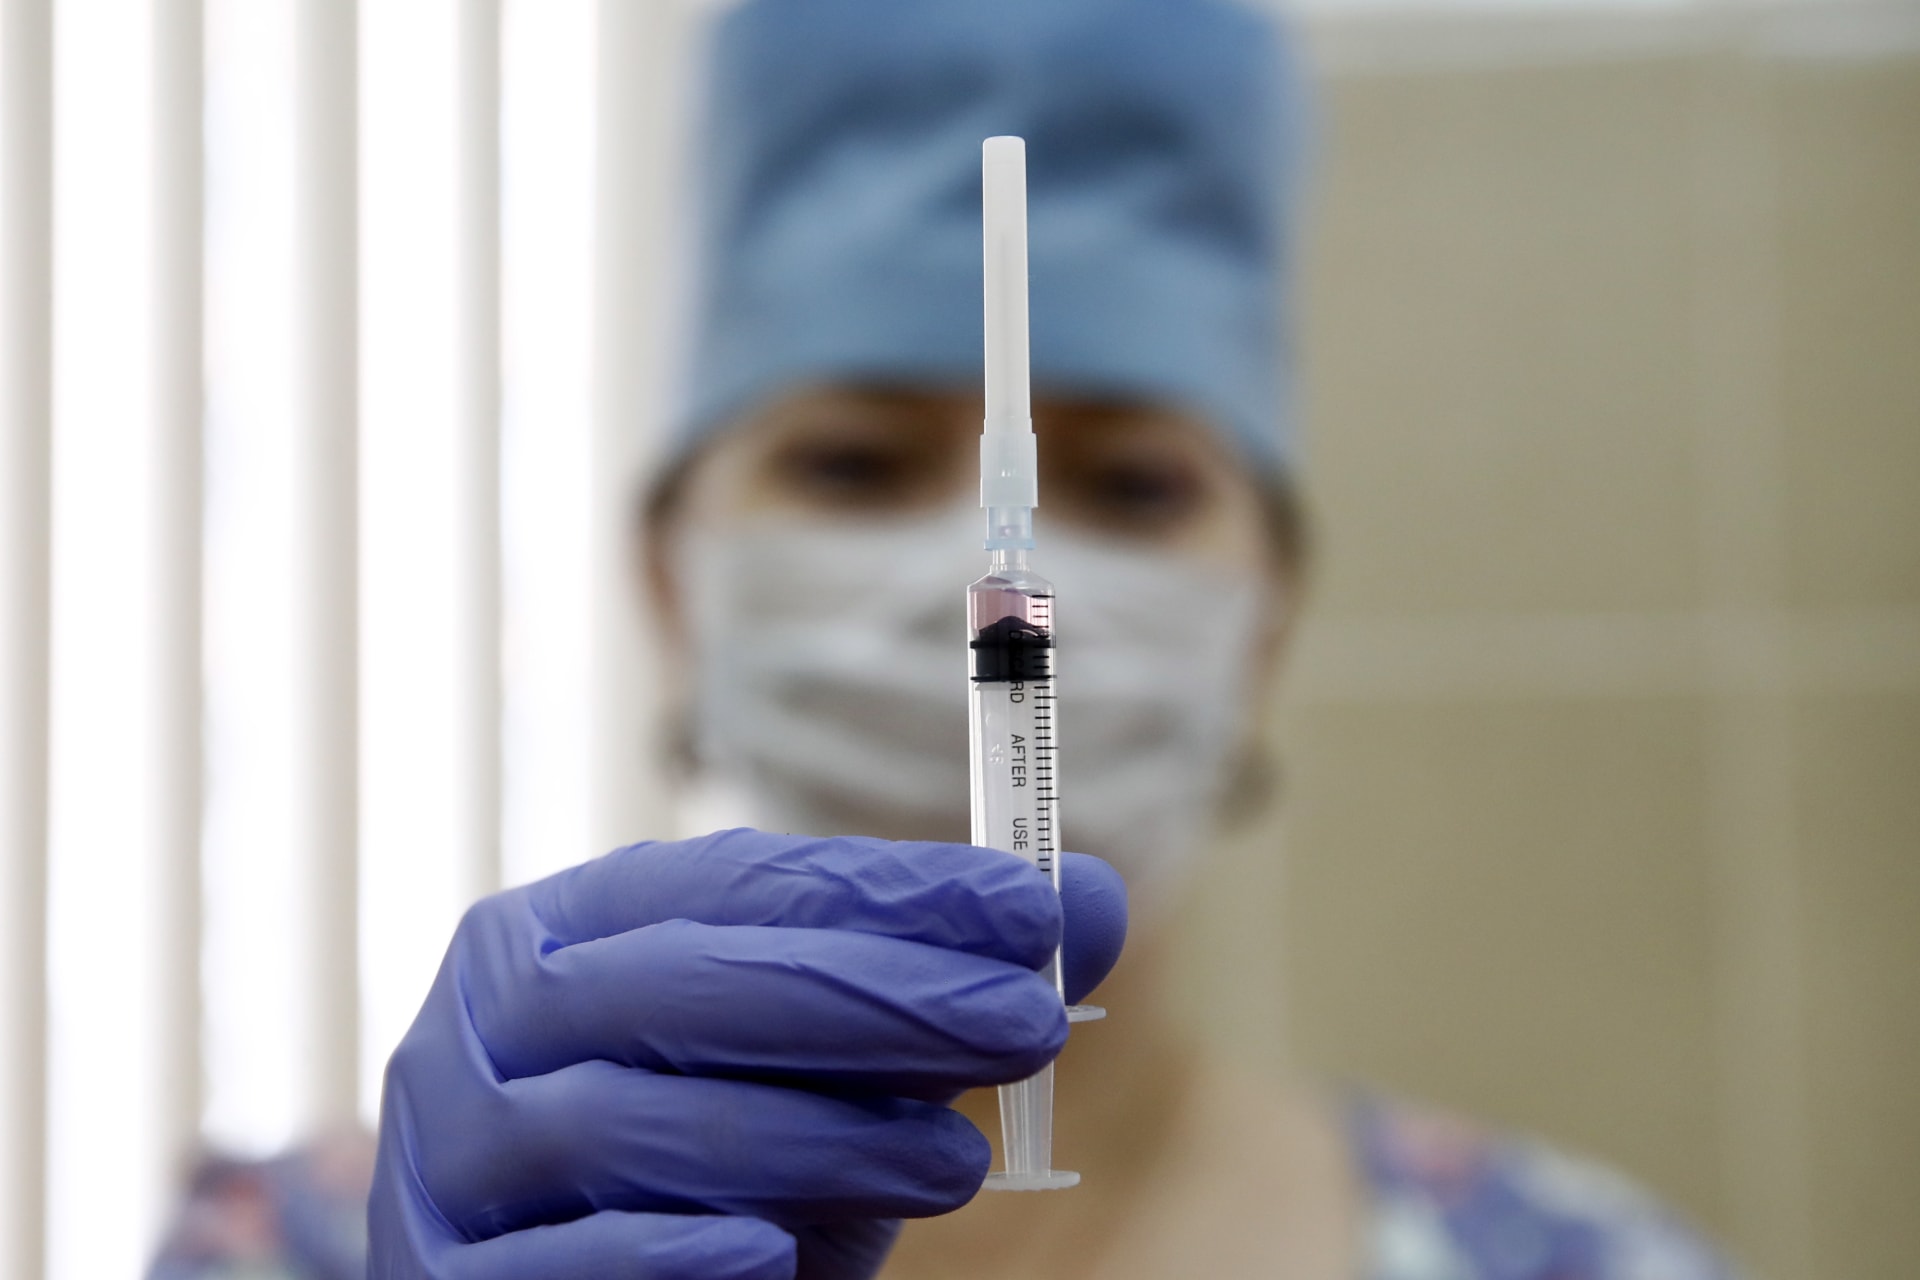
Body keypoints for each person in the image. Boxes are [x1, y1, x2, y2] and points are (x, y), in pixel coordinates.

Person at [153, 1, 1746, 1277]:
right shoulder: (337, 1249)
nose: (973, 575)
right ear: (671, 581)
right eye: (851, 464)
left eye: (1136, 484)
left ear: (1268, 621)